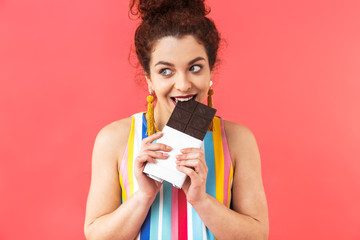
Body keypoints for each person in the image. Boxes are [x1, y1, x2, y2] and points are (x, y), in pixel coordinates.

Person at [84, 0, 269, 239]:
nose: (182, 85)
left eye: (195, 68)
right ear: (149, 77)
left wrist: (200, 200)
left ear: (211, 70)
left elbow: (258, 235)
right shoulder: (114, 140)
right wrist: (143, 196)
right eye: (165, 71)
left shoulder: (237, 140)